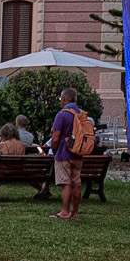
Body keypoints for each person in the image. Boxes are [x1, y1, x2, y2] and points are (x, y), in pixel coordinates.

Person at [50, 87, 84, 220]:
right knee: (76, 182)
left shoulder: (62, 114)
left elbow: (56, 137)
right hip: (78, 153)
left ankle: (65, 211)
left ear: (64, 99)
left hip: (64, 153)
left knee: (66, 183)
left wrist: (55, 150)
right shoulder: (81, 113)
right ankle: (75, 212)